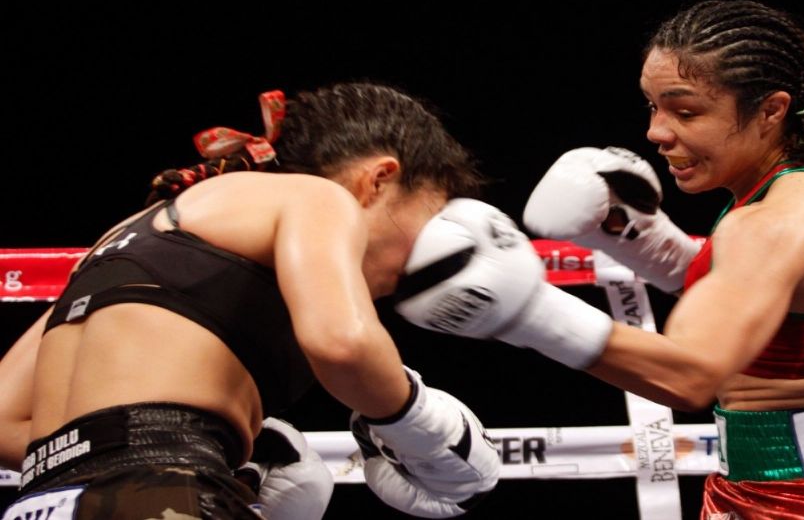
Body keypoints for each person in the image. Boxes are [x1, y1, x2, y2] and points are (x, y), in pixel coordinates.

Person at [394, 0, 804, 519]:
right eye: (653, 106)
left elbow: (692, 376)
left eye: (686, 110)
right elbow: (760, 299)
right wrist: (640, 241)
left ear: (771, 109)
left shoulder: (772, 226)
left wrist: (527, 313)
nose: (656, 131)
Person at [0, 83, 500, 519]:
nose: (409, 270)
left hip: (39, 502)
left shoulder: (126, 233)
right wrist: (422, 424)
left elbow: (3, 420)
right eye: (425, 226)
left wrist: (228, 453)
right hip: (160, 490)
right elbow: (342, 344)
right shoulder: (317, 198)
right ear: (379, 179)